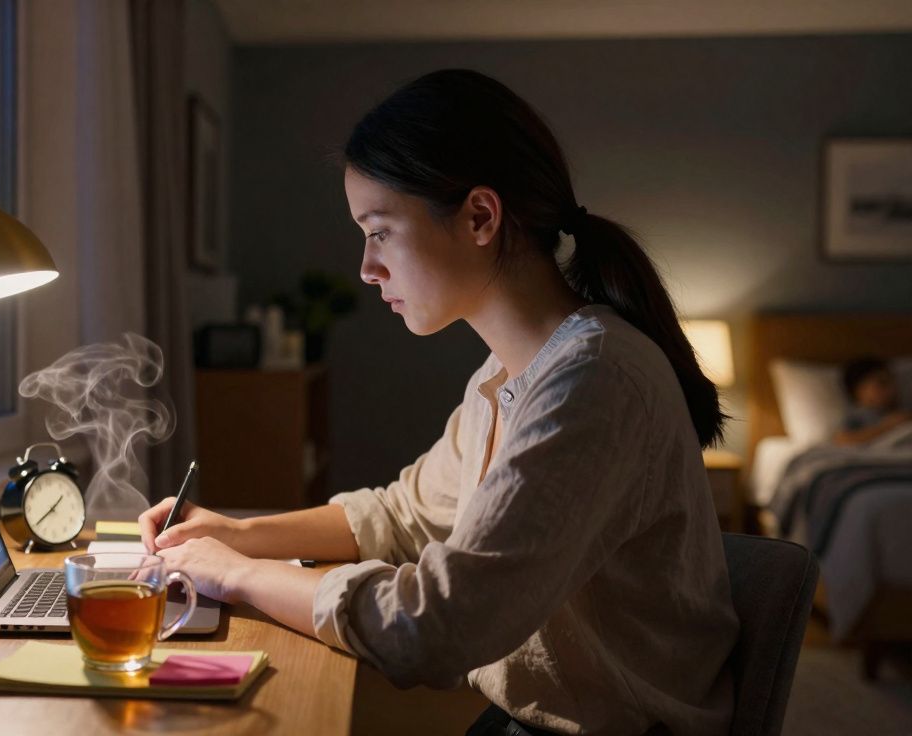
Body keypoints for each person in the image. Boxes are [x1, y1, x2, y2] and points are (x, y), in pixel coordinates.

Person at [140, 69, 738, 736]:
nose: (366, 268)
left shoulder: (593, 379)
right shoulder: (508, 373)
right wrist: (236, 533)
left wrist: (239, 575)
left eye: (379, 231)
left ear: (480, 216)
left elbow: (434, 626)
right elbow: (406, 515)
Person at [832, 357, 911, 447]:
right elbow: (842, 440)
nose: (892, 389)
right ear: (859, 390)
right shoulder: (859, 415)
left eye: (892, 381)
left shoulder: (900, 409)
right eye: (882, 383)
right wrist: (888, 426)